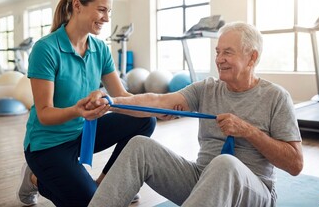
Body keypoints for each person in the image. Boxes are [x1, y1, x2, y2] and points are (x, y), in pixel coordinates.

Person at [87, 22, 304, 207]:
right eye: (217, 52)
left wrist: (248, 131)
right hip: (202, 182)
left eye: (228, 52)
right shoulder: (207, 88)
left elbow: (295, 164)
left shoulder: (276, 97)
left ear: (251, 58)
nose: (219, 59)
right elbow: (158, 101)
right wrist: (111, 103)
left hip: (253, 192)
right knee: (139, 146)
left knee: (224, 163)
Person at [16, 0, 156, 207]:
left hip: (83, 134)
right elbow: (44, 113)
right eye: (102, 10)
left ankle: (104, 183)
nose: (107, 18)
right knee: (92, 203)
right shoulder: (46, 49)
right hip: (48, 145)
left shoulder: (99, 48)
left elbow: (122, 97)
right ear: (78, 5)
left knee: (145, 120)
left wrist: (160, 107)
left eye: (109, 11)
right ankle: (33, 178)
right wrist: (77, 110)